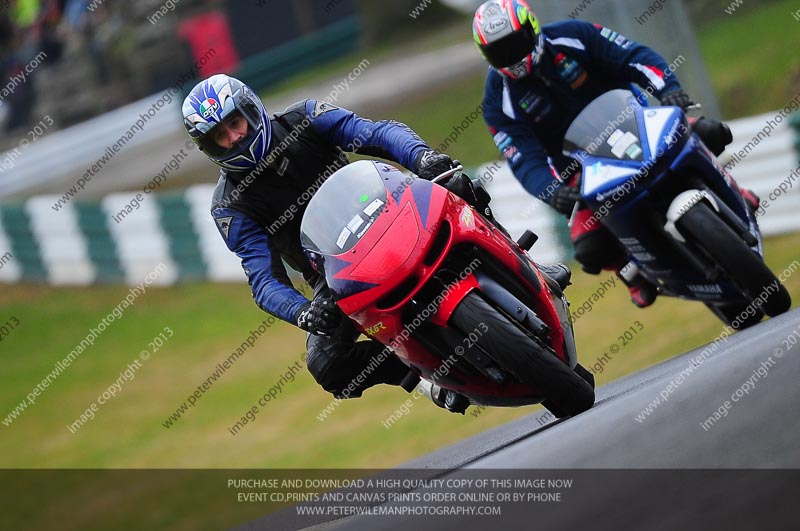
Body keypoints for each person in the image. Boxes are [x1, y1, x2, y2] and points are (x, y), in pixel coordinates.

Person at [182, 74, 471, 411]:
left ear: (250, 109)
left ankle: (530, 267)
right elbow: (263, 281)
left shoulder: (305, 117)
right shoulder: (228, 206)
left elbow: (378, 133)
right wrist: (304, 311)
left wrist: (421, 157)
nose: (235, 138)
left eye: (235, 122)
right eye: (221, 136)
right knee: (327, 364)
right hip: (334, 276)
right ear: (210, 148)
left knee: (459, 185)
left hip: (396, 214)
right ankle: (425, 377)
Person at [472, 0, 759, 308]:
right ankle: (633, 273)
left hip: (641, 127)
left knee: (712, 132)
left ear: (532, 28)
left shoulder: (574, 36)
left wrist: (669, 89)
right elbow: (522, 157)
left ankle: (735, 192)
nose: (513, 56)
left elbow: (634, 57)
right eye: (500, 52)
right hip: (584, 172)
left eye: (516, 43)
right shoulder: (496, 100)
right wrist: (553, 191)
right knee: (590, 249)